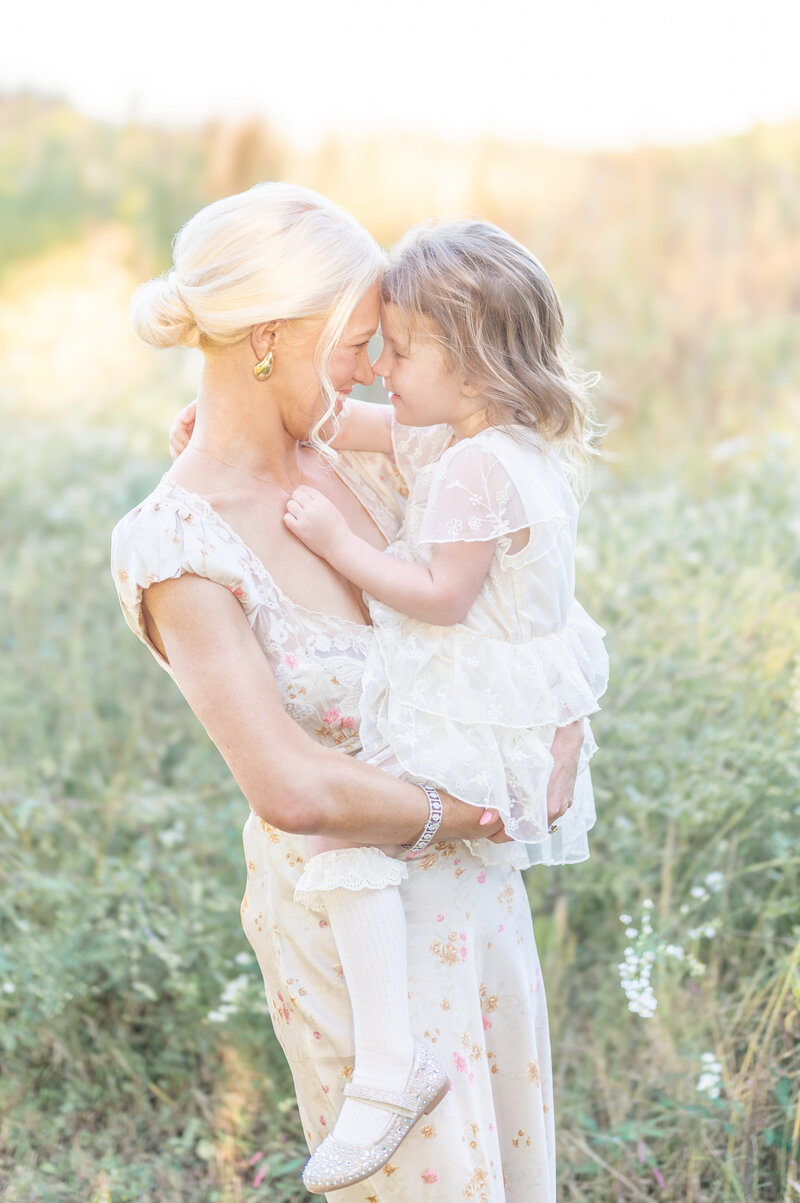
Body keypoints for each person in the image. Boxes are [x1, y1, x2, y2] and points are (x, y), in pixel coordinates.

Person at [112, 182, 583, 1201]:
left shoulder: (355, 463)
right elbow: (293, 790)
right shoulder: (177, 545)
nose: (373, 371)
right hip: (357, 935)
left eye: (386, 349)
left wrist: (560, 727)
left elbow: (516, 595)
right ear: (271, 336)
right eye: (357, 343)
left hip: (476, 909)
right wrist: (481, 810)